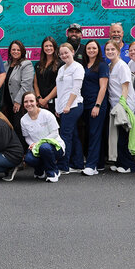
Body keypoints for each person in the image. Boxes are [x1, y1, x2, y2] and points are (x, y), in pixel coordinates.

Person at [104, 40, 135, 173]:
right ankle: (120, 162)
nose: (110, 52)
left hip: (124, 105)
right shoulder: (109, 65)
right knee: (118, 136)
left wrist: (122, 104)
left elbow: (125, 86)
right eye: (108, 50)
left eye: (113, 49)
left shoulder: (122, 66)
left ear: (118, 51)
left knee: (124, 137)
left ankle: (129, 165)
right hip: (115, 105)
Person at [79, 40, 109, 175]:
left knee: (94, 134)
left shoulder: (102, 65)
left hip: (96, 104)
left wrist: (97, 105)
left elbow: (103, 87)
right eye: (89, 48)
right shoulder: (84, 65)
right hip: (85, 104)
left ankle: (91, 166)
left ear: (98, 50)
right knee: (94, 133)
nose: (91, 50)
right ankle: (100, 163)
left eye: (94, 48)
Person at [20, 92, 63, 182]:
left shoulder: (47, 114)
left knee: (44, 148)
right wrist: (32, 144)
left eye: (31, 101)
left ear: (36, 102)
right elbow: (27, 137)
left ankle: (52, 172)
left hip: (54, 147)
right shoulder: (23, 120)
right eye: (26, 102)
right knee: (28, 159)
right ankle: (40, 170)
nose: (29, 104)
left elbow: (55, 133)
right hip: (36, 148)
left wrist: (38, 143)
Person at [55, 42, 85, 173]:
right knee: (72, 135)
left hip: (73, 106)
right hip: (63, 107)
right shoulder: (62, 69)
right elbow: (61, 90)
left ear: (73, 52)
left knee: (65, 136)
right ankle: (78, 164)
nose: (64, 55)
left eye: (66, 52)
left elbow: (76, 88)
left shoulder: (77, 67)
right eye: (61, 53)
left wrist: (67, 106)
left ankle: (63, 166)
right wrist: (58, 108)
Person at [0, 39, 34, 144]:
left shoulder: (26, 64)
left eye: (18, 50)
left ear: (22, 51)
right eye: (13, 49)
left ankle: (23, 154)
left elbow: (26, 85)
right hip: (7, 104)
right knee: (10, 129)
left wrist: (18, 101)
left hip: (20, 104)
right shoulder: (6, 65)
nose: (16, 51)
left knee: (20, 129)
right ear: (10, 51)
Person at [33, 36, 61, 113]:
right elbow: (35, 83)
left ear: (55, 47)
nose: (48, 48)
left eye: (50, 46)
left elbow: (59, 85)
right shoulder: (38, 64)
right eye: (46, 46)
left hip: (54, 103)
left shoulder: (61, 64)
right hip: (40, 103)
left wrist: (46, 100)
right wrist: (39, 98)